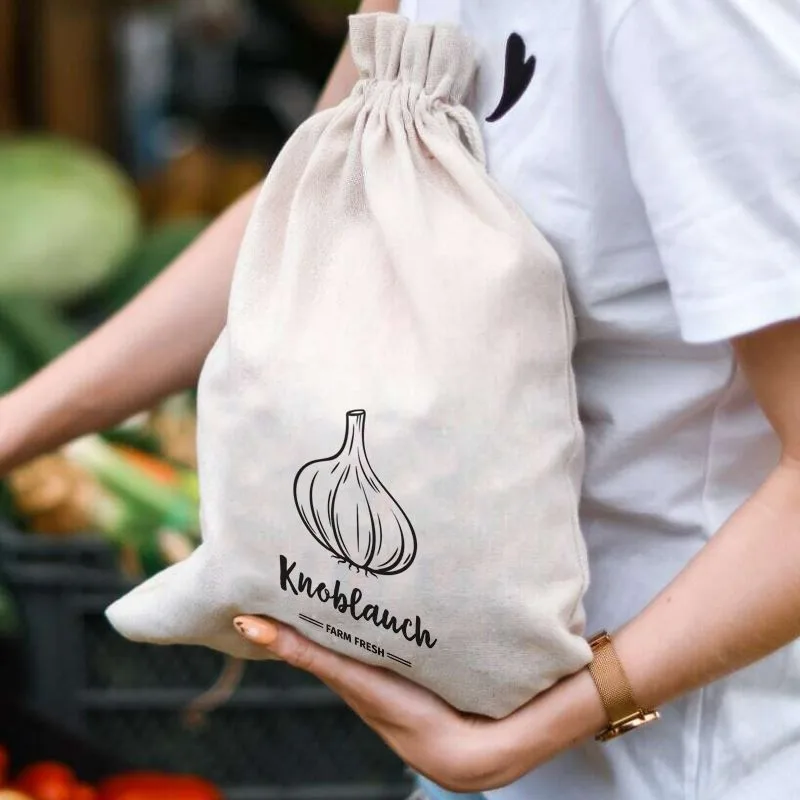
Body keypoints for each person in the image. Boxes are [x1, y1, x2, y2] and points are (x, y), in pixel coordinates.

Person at [3, 1, 800, 799]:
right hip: (476, 731)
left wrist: (552, 722)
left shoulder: (684, 18)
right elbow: (302, 208)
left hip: (690, 761)